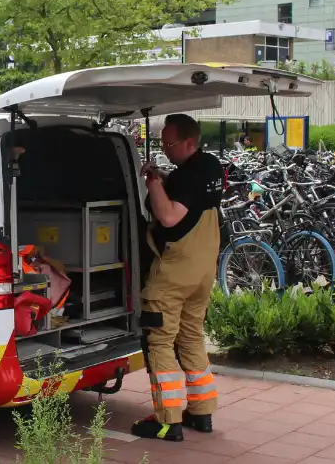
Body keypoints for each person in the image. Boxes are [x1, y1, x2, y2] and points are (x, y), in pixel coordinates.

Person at [133, 114, 224, 442]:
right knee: (190, 336)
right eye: (162, 143)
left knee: (159, 339)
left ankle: (166, 421)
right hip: (202, 269)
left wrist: (154, 182)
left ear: (189, 142)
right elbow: (193, 189)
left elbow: (169, 216)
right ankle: (201, 413)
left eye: (169, 144)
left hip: (174, 271)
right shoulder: (211, 166)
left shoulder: (185, 177)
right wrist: (169, 176)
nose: (165, 149)